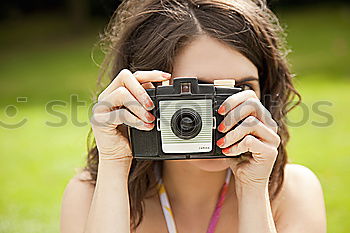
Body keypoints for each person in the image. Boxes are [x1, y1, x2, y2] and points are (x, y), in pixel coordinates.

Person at [60, 0, 327, 232]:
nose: (220, 114)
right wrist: (114, 164)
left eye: (242, 89)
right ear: (140, 93)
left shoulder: (293, 191)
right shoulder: (90, 195)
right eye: (196, 93)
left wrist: (253, 190)